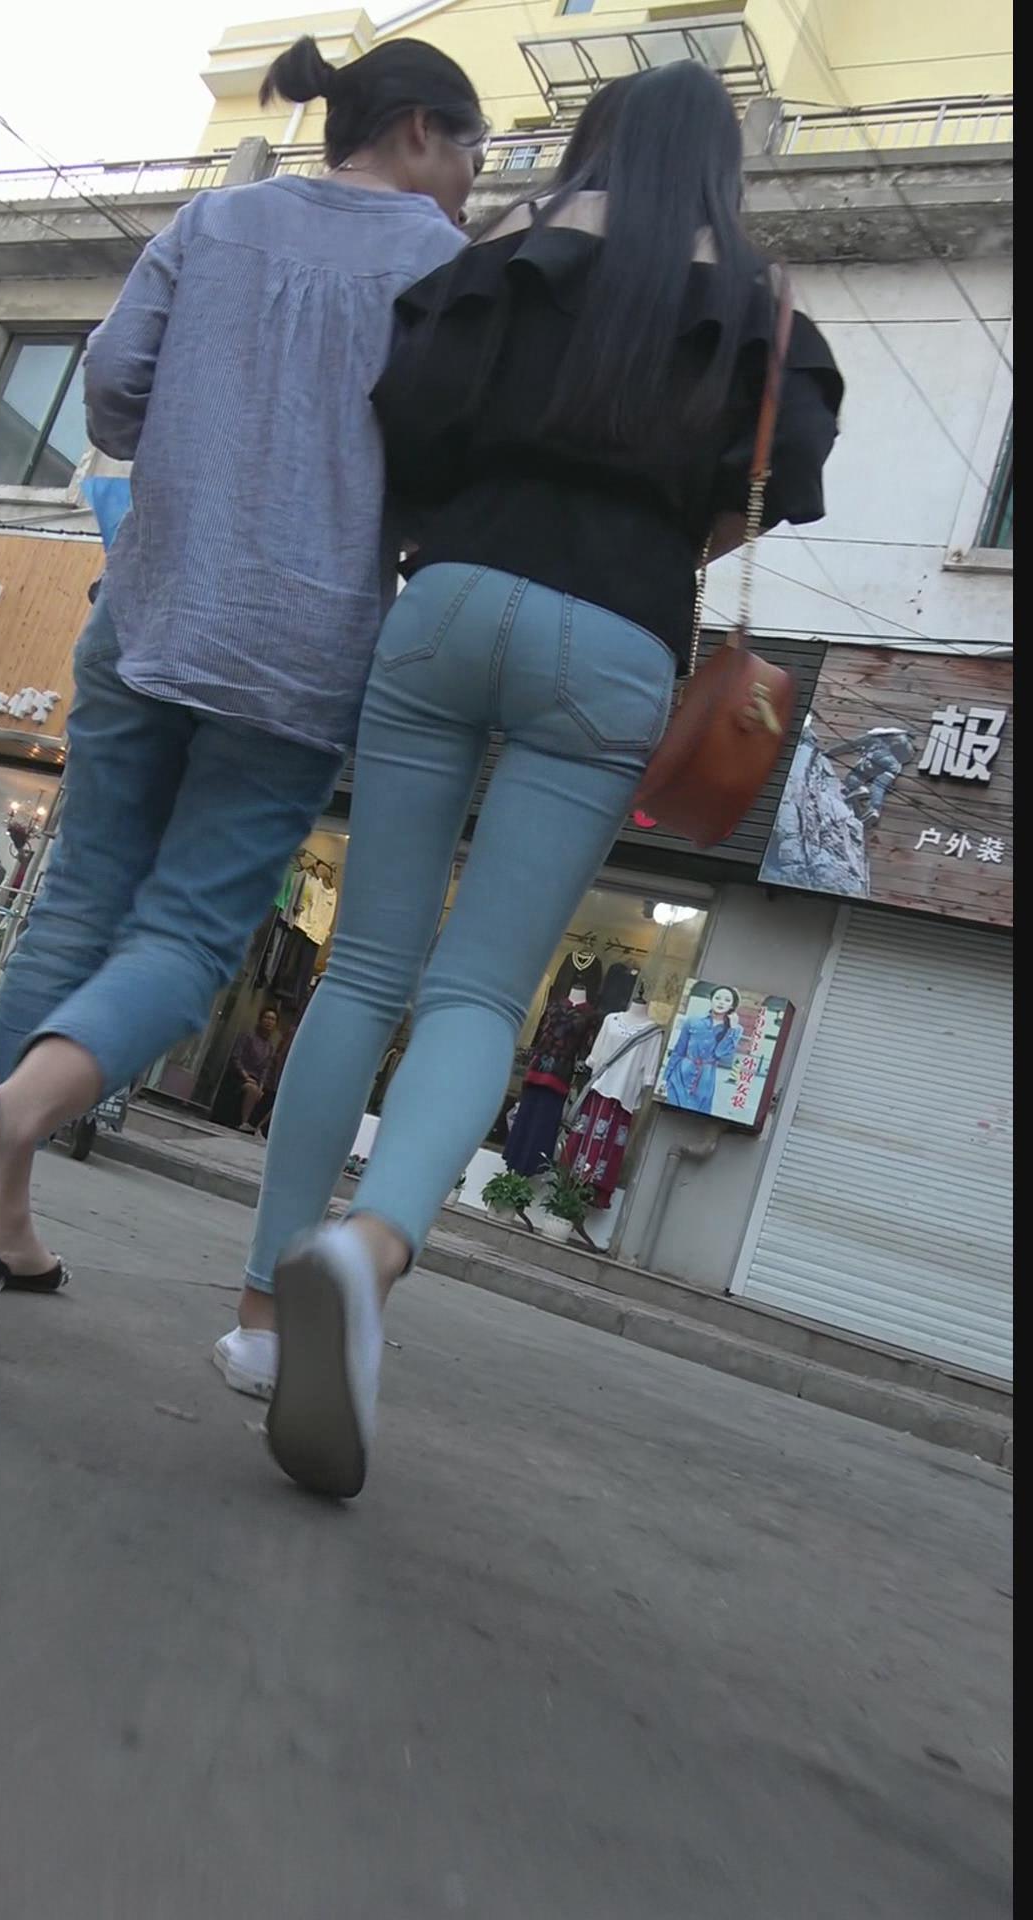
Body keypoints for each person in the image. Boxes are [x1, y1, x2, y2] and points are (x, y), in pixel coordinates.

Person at [220, 62, 844, 1497]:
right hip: (617, 637)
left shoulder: (502, 251)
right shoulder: (765, 306)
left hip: (448, 599)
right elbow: (762, 489)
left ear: (592, 141)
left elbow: (408, 417)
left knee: (363, 971)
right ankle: (371, 1249)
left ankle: (259, 1317)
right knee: (478, 996)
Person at [0, 34, 485, 1306]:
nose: (472, 186)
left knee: (77, 906)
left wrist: (188, 452)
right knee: (189, 934)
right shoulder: (445, 266)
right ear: (420, 129)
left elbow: (111, 382)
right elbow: (445, 467)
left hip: (150, 604)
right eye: (473, 157)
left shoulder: (217, 220)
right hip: (297, 650)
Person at [662, 986, 742, 1115]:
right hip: (680, 1074)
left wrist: (731, 1030)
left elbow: (720, 1053)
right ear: (711, 1000)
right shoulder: (693, 1021)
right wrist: (665, 1078)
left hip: (705, 1079)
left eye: (727, 1000)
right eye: (717, 998)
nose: (721, 1002)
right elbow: (679, 1051)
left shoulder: (735, 1029)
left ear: (732, 1006)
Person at [211, 1008, 280, 1131]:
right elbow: (235, 1058)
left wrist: (261, 1085)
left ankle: (256, 1126)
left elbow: (265, 1069)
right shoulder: (247, 1037)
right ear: (260, 1020)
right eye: (266, 1018)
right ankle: (244, 1122)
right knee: (252, 1089)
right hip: (238, 1076)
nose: (269, 1021)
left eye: (272, 1019)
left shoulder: (269, 1047)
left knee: (263, 1094)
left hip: (255, 1080)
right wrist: (246, 1076)